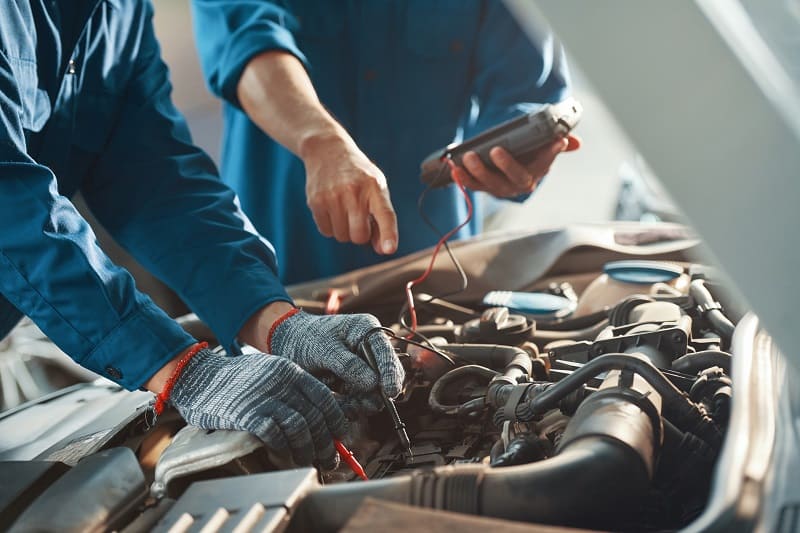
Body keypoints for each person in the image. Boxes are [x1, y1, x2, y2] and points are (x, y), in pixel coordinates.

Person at [0, 0, 403, 470]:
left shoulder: (118, 14)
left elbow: (158, 180)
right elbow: (12, 209)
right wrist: (181, 371)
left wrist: (276, 322)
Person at [191, 0, 580, 285]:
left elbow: (528, 89)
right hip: (277, 270)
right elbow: (246, 42)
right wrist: (321, 143)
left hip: (434, 279)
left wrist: (522, 155)